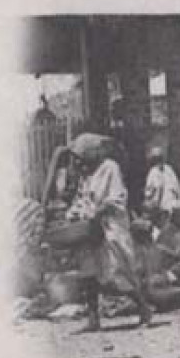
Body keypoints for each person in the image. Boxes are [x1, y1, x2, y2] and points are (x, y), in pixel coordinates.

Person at [64, 133, 151, 330]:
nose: (77, 162)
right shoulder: (85, 175)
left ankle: (144, 307)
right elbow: (81, 200)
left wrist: (99, 211)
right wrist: (74, 214)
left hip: (111, 227)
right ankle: (93, 318)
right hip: (90, 230)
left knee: (116, 273)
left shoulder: (110, 168)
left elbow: (117, 198)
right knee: (88, 271)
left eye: (79, 157)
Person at [143, 145, 180, 219]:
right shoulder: (160, 171)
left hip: (167, 206)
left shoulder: (164, 170)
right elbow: (149, 193)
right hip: (167, 206)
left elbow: (177, 187)